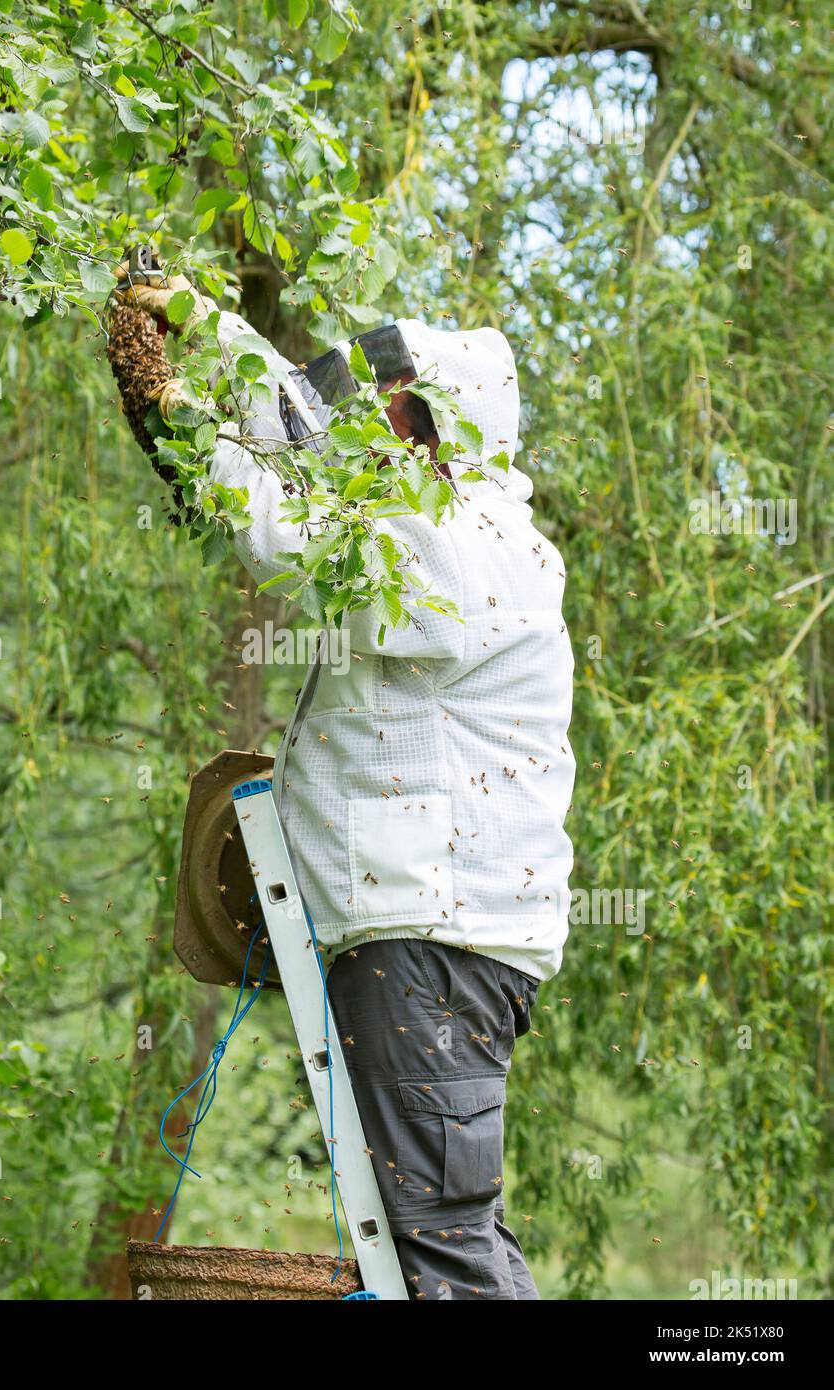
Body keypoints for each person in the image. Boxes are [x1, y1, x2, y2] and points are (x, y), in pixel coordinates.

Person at [110, 266, 576, 1300]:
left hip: (433, 947)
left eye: (397, 408)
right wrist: (197, 318)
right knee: (426, 1241)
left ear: (438, 429)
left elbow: (286, 529)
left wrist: (181, 422)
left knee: (438, 1246)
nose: (375, 423)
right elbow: (297, 425)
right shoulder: (433, 522)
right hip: (419, 939)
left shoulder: (458, 548)